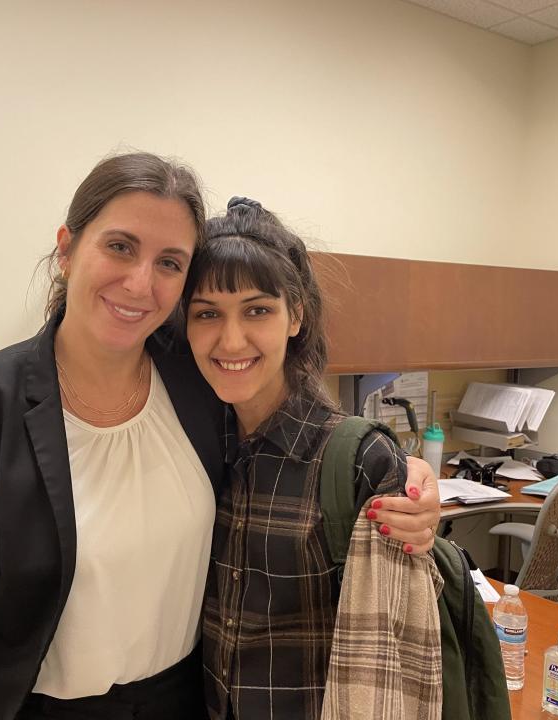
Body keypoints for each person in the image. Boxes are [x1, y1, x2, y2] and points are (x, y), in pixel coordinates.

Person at [0, 153, 441, 720]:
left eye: (169, 262)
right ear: (67, 249)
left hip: (186, 702)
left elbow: (289, 428)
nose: (140, 283)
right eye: (119, 246)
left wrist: (407, 475)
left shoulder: (195, 379)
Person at [185, 197, 444, 720]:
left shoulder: (356, 458)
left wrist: (413, 482)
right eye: (207, 313)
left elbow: (397, 650)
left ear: (296, 315)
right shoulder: (191, 442)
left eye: (257, 310)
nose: (230, 339)